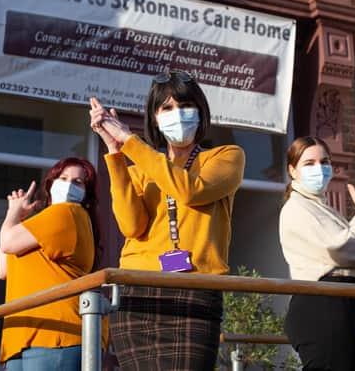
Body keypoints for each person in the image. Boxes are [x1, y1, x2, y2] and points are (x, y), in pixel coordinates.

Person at [89, 70, 245, 370]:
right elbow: (131, 226)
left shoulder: (225, 157)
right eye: (168, 108)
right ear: (155, 118)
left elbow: (189, 191)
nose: (178, 114)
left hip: (195, 292)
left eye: (186, 106)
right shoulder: (141, 167)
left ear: (201, 112)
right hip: (137, 290)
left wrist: (130, 141)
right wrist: (116, 154)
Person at [279, 136, 355, 371]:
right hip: (322, 307)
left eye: (324, 162)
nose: (319, 169)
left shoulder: (324, 210)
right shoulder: (297, 208)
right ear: (292, 171)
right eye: (309, 163)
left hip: (344, 309)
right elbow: (346, 251)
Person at [0, 157, 101, 371]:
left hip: (55, 335)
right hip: (24, 334)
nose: (69, 185)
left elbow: (7, 242)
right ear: (51, 183)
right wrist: (16, 218)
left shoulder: (67, 213)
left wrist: (13, 213)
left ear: (86, 193)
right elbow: (2, 269)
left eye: (78, 182)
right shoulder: (42, 222)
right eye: (63, 178)